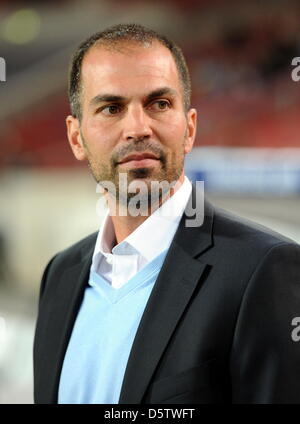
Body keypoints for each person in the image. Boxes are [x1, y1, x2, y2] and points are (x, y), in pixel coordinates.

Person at [33, 23, 300, 404]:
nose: (138, 128)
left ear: (189, 128)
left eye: (159, 104)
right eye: (111, 108)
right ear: (77, 138)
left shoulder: (263, 270)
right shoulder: (60, 275)